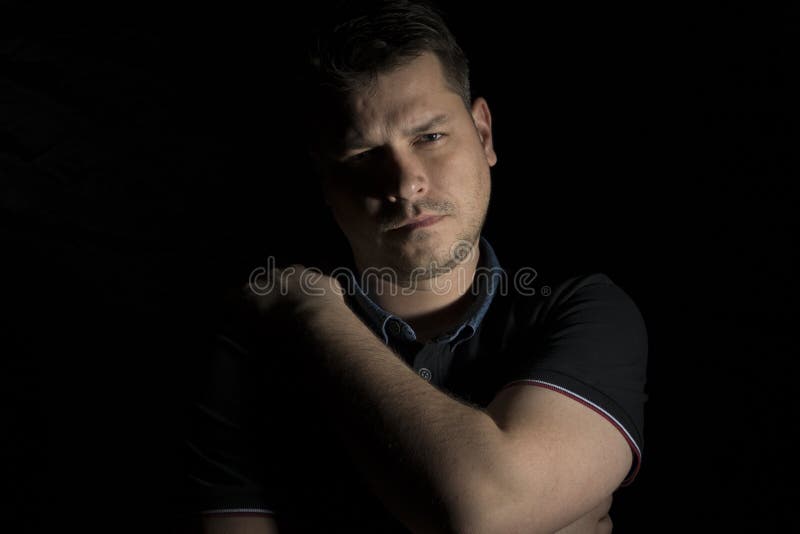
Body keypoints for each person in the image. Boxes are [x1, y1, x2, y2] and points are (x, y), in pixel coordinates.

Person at [186, 1, 648, 532]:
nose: (406, 184)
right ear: (325, 182)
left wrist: (311, 310)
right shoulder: (254, 343)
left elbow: (486, 511)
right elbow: (489, 514)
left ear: (483, 134)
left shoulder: (586, 312)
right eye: (364, 155)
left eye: (429, 137)